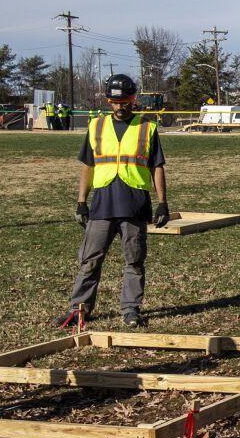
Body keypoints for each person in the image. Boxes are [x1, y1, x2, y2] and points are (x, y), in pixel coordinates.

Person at [57, 74, 170, 330]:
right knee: (90, 259)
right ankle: (79, 309)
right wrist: (81, 201)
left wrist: (163, 202)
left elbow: (157, 167)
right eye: (115, 101)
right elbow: (87, 165)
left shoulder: (147, 128)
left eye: (126, 101)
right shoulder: (96, 126)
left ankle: (131, 309)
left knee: (134, 260)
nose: (121, 106)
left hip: (134, 204)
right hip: (102, 204)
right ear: (109, 101)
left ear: (133, 99)